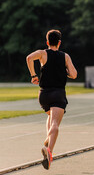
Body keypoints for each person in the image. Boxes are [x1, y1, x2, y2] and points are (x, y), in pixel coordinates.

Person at [26, 29, 77, 170]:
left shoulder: (42, 53)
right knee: (55, 124)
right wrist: (65, 71)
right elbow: (74, 74)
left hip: (44, 95)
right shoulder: (65, 56)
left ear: (47, 42)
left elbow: (29, 58)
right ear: (59, 43)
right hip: (58, 94)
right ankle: (49, 151)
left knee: (50, 115)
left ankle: (48, 140)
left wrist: (33, 75)